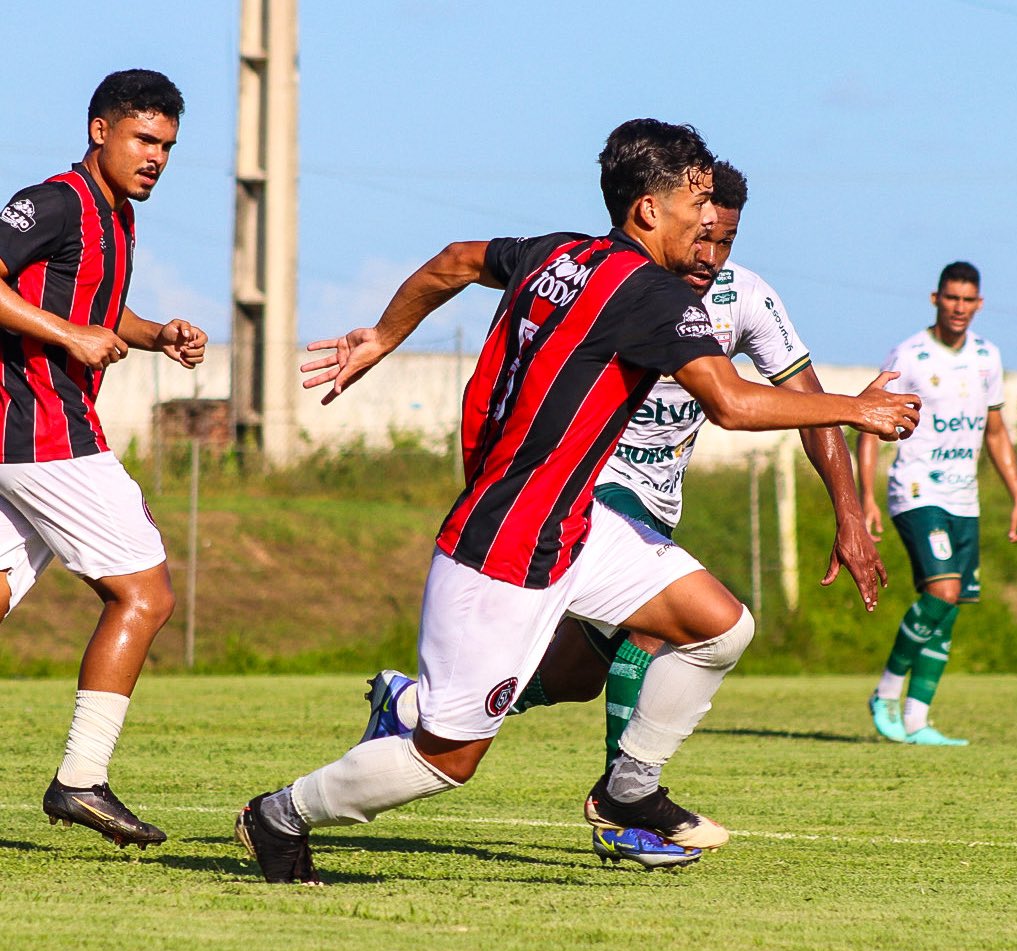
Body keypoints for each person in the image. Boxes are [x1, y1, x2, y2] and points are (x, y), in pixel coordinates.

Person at [235, 119, 920, 883]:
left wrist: (385, 336)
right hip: (506, 545)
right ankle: (281, 813)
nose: (707, 217)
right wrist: (855, 410)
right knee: (446, 762)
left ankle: (630, 791)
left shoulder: (556, 251)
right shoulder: (650, 295)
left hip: (574, 524)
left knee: (718, 625)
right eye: (695, 200)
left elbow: (454, 261)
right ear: (648, 210)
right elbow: (728, 402)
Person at [0, 69, 206, 848]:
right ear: (100, 131)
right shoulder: (55, 200)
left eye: (167, 146)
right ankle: (81, 780)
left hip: (28, 433)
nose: (155, 157)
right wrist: (69, 338)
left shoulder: (116, 216)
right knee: (145, 597)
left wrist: (156, 335)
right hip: (40, 429)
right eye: (144, 139)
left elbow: (88, 305)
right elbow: (58, 315)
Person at [856, 261, 1017, 747]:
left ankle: (917, 719)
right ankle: (886, 692)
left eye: (966, 300)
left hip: (964, 499)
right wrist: (866, 496)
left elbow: (995, 430)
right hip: (917, 490)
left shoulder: (987, 358)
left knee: (949, 611)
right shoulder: (909, 355)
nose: (958, 307)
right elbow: (869, 421)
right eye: (950, 298)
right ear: (936, 299)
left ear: (979, 304)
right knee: (943, 592)